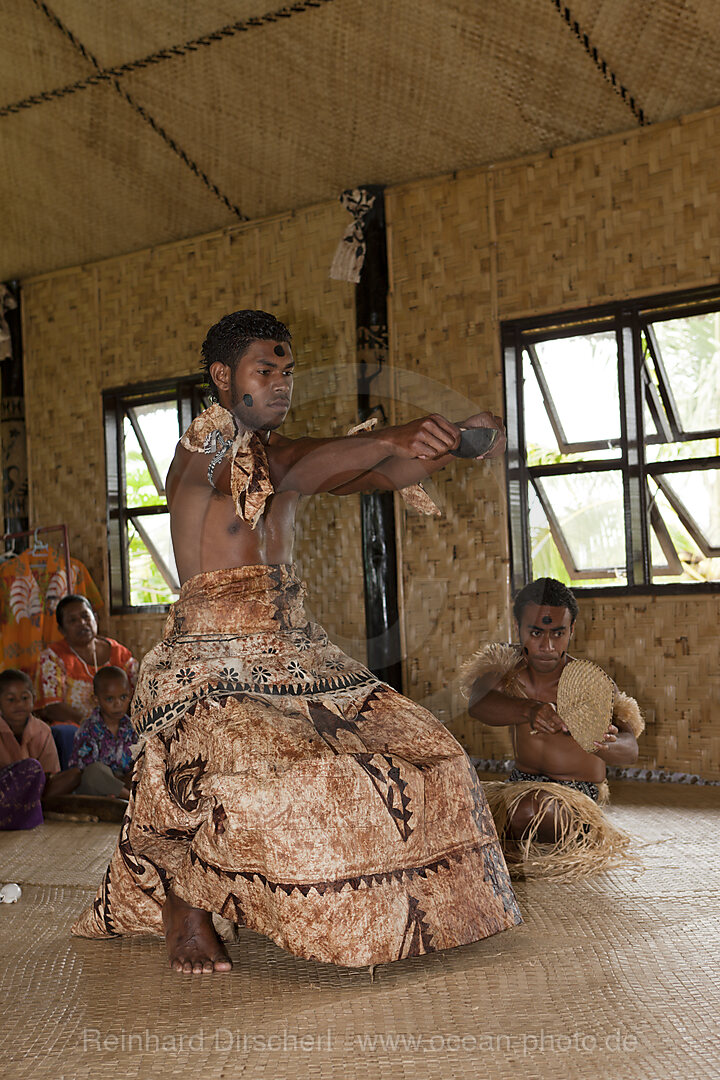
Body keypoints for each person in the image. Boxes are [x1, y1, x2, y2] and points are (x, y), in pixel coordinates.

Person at [73, 308, 521, 974]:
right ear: (223, 377)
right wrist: (394, 434)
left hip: (297, 651)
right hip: (210, 658)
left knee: (433, 753)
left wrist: (448, 443)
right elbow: (290, 461)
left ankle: (391, 913)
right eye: (265, 370)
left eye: (287, 372)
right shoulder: (205, 444)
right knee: (299, 775)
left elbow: (371, 475)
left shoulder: (277, 455)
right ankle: (183, 904)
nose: (281, 384)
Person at [462, 578, 644, 879]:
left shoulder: (589, 683)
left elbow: (631, 749)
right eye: (536, 633)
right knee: (458, 807)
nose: (547, 646)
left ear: (571, 631)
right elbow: (478, 703)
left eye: (558, 633)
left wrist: (601, 743)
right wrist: (529, 710)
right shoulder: (508, 672)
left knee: (534, 810)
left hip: (576, 794)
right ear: (518, 628)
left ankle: (548, 833)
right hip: (520, 784)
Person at [36, 595, 138, 767]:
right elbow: (52, 707)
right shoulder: (52, 658)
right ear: (62, 629)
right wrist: (96, 725)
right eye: (73, 620)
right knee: (66, 733)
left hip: (120, 725)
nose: (82, 623)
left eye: (85, 616)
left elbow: (138, 696)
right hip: (76, 727)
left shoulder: (120, 654)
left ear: (95, 618)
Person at [0, 669, 81, 830]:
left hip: (36, 791)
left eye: (24, 698)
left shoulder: (42, 730)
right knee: (30, 767)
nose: (19, 704)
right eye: (11, 699)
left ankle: (21, 811)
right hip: (4, 790)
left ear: (33, 699)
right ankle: (22, 813)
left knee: (74, 774)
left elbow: (50, 773)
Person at [68, 667, 136, 799]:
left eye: (123, 697)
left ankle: (123, 797)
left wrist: (131, 775)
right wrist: (117, 780)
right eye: (110, 699)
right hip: (95, 789)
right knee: (95, 771)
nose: (118, 704)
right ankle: (131, 800)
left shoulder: (132, 728)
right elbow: (85, 771)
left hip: (124, 785)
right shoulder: (88, 729)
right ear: (96, 699)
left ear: (130, 694)